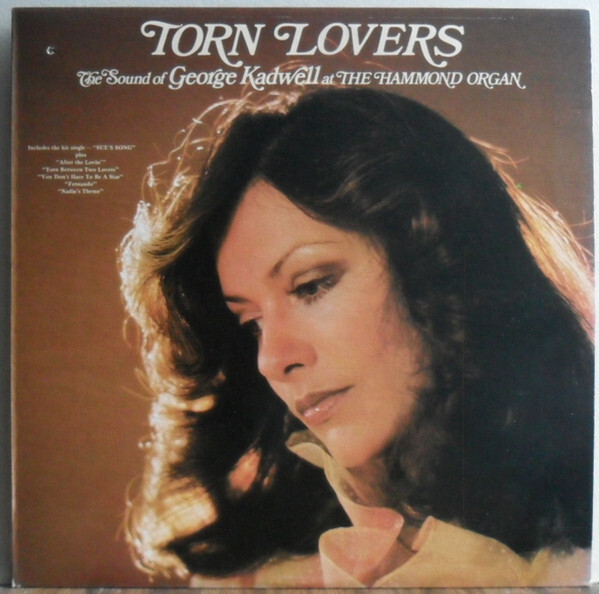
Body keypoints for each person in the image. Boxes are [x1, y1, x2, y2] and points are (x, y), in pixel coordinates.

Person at [119, 87, 593, 587]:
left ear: (440, 265)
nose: (271, 359)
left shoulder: (579, 556)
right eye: (251, 323)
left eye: (311, 286)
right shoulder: (256, 579)